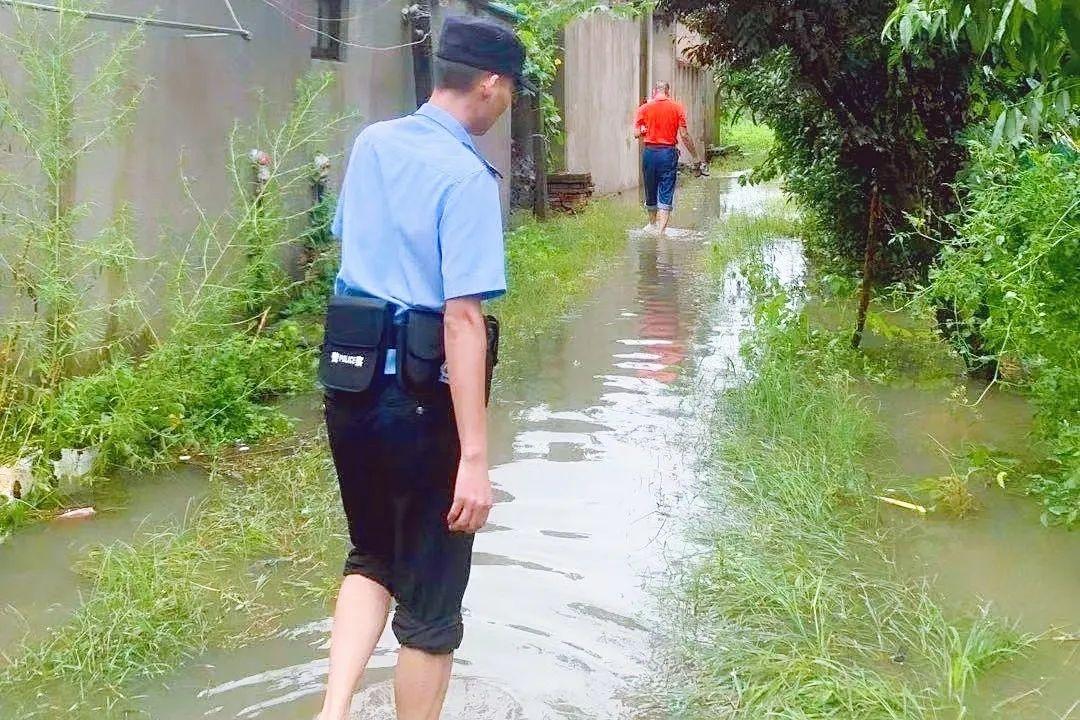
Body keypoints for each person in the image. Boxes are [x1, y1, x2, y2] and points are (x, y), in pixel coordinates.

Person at [316, 15, 532, 720]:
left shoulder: (373, 144)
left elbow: (351, 248)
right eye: (512, 92)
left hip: (348, 390)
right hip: (417, 406)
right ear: (491, 85)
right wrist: (474, 456)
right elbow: (461, 319)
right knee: (432, 603)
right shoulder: (465, 176)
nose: (507, 106)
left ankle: (333, 710)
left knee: (372, 554)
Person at [633, 81, 704, 237]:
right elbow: (684, 135)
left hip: (649, 153)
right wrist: (695, 156)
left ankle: (652, 225)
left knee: (650, 190)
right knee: (666, 190)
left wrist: (645, 130)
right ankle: (661, 232)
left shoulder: (644, 108)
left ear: (654, 92)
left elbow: (636, 133)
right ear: (668, 92)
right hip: (667, 153)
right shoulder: (677, 107)